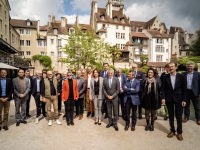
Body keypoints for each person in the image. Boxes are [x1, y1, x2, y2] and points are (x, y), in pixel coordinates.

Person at [162, 62, 187, 141]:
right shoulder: (165, 76)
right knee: (171, 116)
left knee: (179, 116)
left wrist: (184, 99)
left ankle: (179, 132)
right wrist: (163, 98)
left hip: (179, 98)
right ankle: (172, 130)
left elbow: (184, 89)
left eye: (172, 66)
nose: (171, 68)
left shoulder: (181, 76)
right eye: (169, 67)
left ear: (176, 67)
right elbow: (163, 89)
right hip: (169, 98)